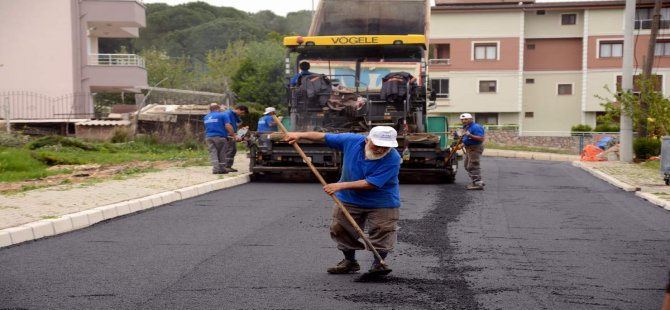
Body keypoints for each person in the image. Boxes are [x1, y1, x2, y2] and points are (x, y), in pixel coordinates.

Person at [284, 126, 402, 276]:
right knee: (341, 229)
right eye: (377, 144)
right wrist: (299, 135)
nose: (380, 149)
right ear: (367, 140)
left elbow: (371, 183)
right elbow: (323, 137)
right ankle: (349, 261)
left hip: (382, 201)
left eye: (385, 147)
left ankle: (378, 263)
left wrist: (339, 186)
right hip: (349, 198)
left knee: (382, 231)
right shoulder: (351, 141)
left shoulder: (393, 158)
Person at [458, 113, 486, 190]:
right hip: (469, 148)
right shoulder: (466, 127)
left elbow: (481, 139)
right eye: (462, 119)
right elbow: (466, 137)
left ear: (471, 119)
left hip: (475, 148)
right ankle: (475, 181)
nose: (464, 121)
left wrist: (469, 135)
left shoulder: (476, 127)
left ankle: (478, 183)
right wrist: (463, 144)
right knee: (467, 166)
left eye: (466, 119)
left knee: (473, 165)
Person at [203, 103, 229, 174]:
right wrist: (233, 134)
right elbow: (227, 125)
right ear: (218, 108)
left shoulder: (206, 117)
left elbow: (206, 127)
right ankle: (222, 169)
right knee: (222, 152)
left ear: (210, 109)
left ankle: (215, 169)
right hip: (220, 137)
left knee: (213, 153)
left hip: (209, 137)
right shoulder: (223, 115)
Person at [222, 105, 249, 172]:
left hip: (232, 134)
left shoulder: (235, 115)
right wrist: (232, 133)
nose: (241, 114)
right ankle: (226, 166)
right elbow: (226, 125)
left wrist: (237, 127)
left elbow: (240, 121)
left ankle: (227, 166)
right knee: (230, 150)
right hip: (228, 134)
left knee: (232, 150)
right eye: (242, 113)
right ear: (239, 109)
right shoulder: (227, 113)